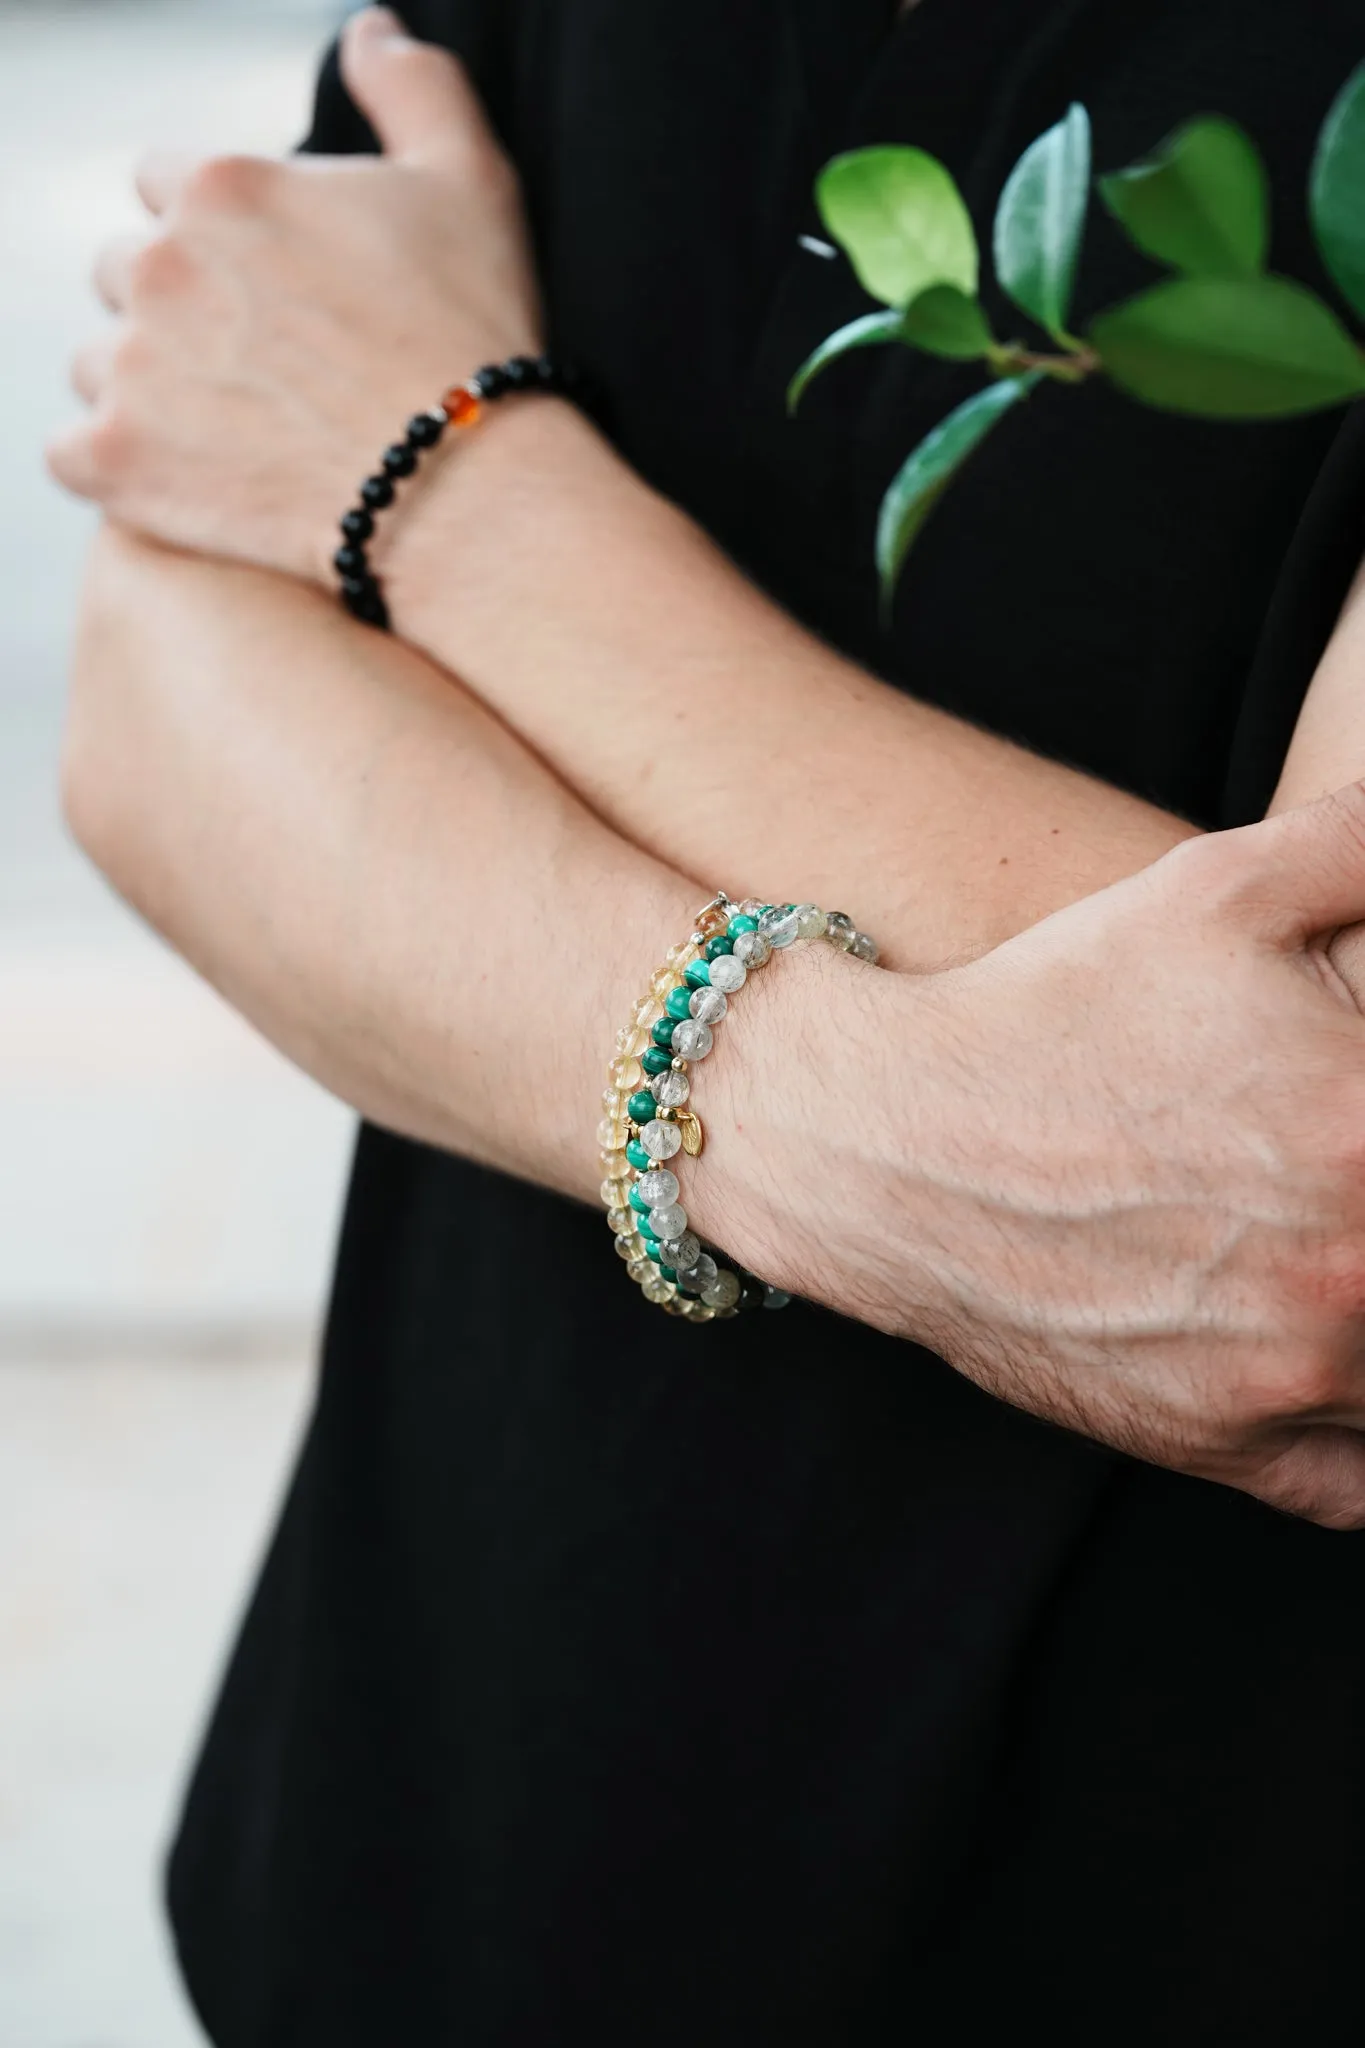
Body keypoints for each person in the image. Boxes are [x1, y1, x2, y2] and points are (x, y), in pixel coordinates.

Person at [46, 1, 1365, 2038]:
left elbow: (1320, 1149)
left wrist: (450, 487)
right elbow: (159, 681)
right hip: (418, 1840)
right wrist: (780, 1099)